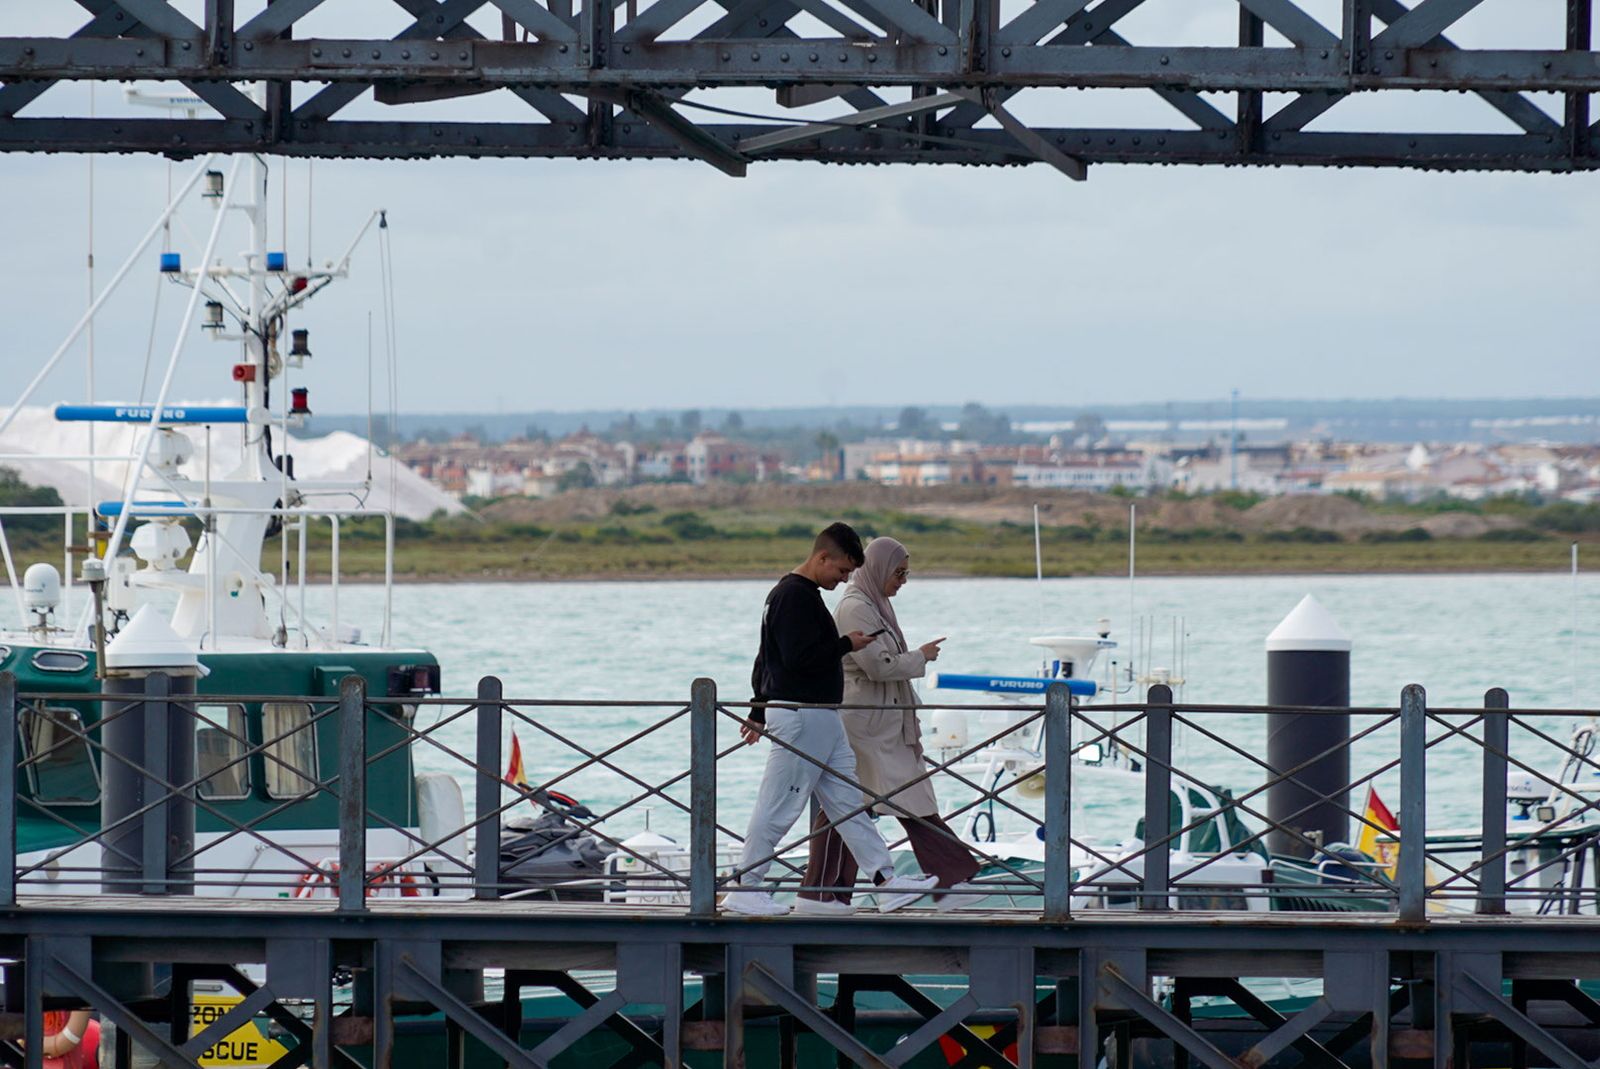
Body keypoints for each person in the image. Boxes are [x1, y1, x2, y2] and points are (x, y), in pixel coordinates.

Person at [727, 522, 939, 917]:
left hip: (821, 717)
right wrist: (847, 644)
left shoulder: (797, 596)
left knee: (848, 802)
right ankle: (746, 885)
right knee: (778, 806)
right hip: (802, 715)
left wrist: (758, 709)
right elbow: (794, 659)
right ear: (822, 557)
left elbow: (766, 659)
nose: (844, 581)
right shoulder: (794, 597)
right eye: (841, 571)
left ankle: (885, 881)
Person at [796, 537, 981, 914]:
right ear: (878, 570)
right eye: (898, 573)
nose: (902, 581)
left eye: (906, 573)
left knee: (857, 806)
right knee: (863, 804)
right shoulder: (855, 607)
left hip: (881, 725)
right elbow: (877, 665)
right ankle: (947, 884)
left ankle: (825, 893)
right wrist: (920, 657)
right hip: (866, 727)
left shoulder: (872, 606)